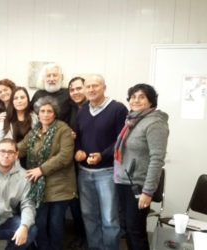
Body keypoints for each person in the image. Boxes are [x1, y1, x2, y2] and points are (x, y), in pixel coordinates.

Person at [74, 74, 128, 250]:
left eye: (95, 86)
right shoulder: (82, 111)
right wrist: (79, 150)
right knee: (89, 215)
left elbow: (121, 140)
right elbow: (77, 136)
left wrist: (102, 155)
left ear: (104, 88)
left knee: (110, 219)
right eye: (87, 86)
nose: (91, 89)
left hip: (107, 172)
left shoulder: (118, 109)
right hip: (84, 172)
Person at [114, 84, 169, 250]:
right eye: (133, 96)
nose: (136, 100)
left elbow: (157, 159)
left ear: (151, 101)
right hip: (122, 182)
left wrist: (148, 191)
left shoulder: (155, 123)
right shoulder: (131, 120)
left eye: (142, 97)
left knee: (136, 232)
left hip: (138, 186)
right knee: (128, 230)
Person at [18, 96, 76, 250]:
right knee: (40, 223)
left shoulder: (63, 129)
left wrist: (41, 170)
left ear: (55, 113)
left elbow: (65, 156)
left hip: (60, 186)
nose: (45, 114)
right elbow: (20, 148)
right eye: (42, 111)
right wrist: (0, 154)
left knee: (55, 224)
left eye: (49, 111)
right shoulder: (34, 131)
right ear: (37, 113)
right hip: (39, 187)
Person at [66, 76, 87, 249]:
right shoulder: (70, 108)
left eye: (79, 88)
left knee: (88, 204)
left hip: (92, 162)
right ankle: (81, 235)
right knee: (76, 202)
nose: (75, 92)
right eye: (72, 89)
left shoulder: (94, 107)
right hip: (72, 162)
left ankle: (89, 238)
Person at [0, 87, 37, 161]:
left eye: (22, 97)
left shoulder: (34, 117)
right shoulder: (4, 119)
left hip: (31, 161)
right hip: (10, 160)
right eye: (15, 98)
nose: (19, 101)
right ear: (12, 101)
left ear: (28, 100)